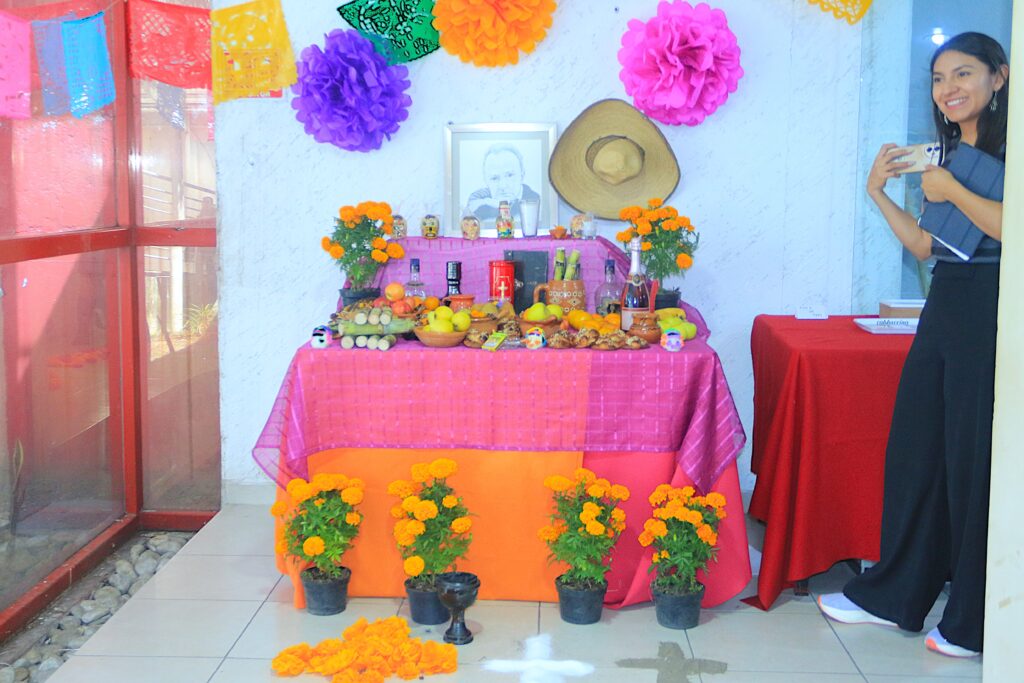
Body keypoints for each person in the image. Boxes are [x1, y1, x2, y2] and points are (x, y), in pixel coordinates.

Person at [818, 32, 1008, 659]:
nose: (949, 88)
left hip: (992, 310)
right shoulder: (951, 154)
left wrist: (952, 191)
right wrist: (877, 191)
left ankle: (973, 623)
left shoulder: (1009, 150)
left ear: (999, 77)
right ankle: (893, 595)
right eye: (938, 78)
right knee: (918, 452)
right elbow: (927, 247)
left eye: (964, 73)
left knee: (972, 464)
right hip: (947, 304)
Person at [465, 144, 540, 223]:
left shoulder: (536, 202)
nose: (502, 186)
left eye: (510, 175)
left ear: (522, 175)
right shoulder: (479, 199)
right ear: (486, 180)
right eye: (494, 178)